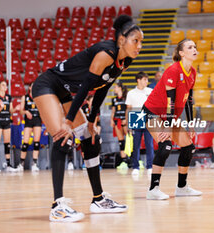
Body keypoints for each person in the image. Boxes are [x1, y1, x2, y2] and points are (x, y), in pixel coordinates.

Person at [31, 15, 143, 222]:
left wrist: (91, 122)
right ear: (121, 40)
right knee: (63, 137)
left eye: (141, 42)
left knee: (91, 139)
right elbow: (84, 89)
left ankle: (98, 199)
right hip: (47, 85)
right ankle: (58, 206)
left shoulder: (125, 60)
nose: (139, 46)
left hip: (65, 92)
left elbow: (103, 88)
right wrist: (68, 120)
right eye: (135, 41)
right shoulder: (105, 53)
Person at [143, 38, 202, 200]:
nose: (194, 49)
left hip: (170, 116)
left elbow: (189, 100)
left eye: (195, 46)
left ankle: (182, 187)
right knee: (165, 145)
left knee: (188, 147)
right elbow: (171, 101)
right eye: (190, 47)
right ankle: (153, 189)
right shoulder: (173, 70)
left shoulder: (193, 73)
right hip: (153, 112)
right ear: (182, 53)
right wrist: (168, 127)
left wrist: (190, 124)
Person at [125, 72, 154, 175]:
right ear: (138, 80)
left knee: (149, 144)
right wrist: (128, 124)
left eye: (147, 79)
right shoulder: (131, 93)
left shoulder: (151, 91)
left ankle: (150, 166)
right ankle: (136, 167)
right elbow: (128, 109)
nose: (147, 81)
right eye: (145, 79)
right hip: (135, 119)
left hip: (148, 119)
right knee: (135, 145)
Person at [0, 81, 20, 173]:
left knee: (7, 144)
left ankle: (8, 165)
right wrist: (1, 107)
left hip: (7, 122)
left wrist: (16, 109)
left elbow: (10, 110)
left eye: (5, 85)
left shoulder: (8, 97)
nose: (5, 87)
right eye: (2, 85)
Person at [18, 83, 42, 172]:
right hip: (28, 121)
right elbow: (21, 111)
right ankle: (21, 164)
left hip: (37, 120)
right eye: (32, 85)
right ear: (29, 87)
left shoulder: (39, 97)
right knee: (25, 143)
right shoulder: (25, 97)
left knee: (36, 143)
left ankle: (34, 164)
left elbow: (43, 109)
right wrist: (26, 112)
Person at [110, 82, 129, 170]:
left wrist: (126, 119)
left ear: (120, 88)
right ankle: (124, 160)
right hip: (117, 120)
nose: (114, 89)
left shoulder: (126, 98)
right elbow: (113, 111)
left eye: (116, 87)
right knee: (121, 141)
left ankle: (134, 159)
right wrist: (111, 120)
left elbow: (128, 109)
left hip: (125, 121)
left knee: (130, 139)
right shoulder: (114, 99)